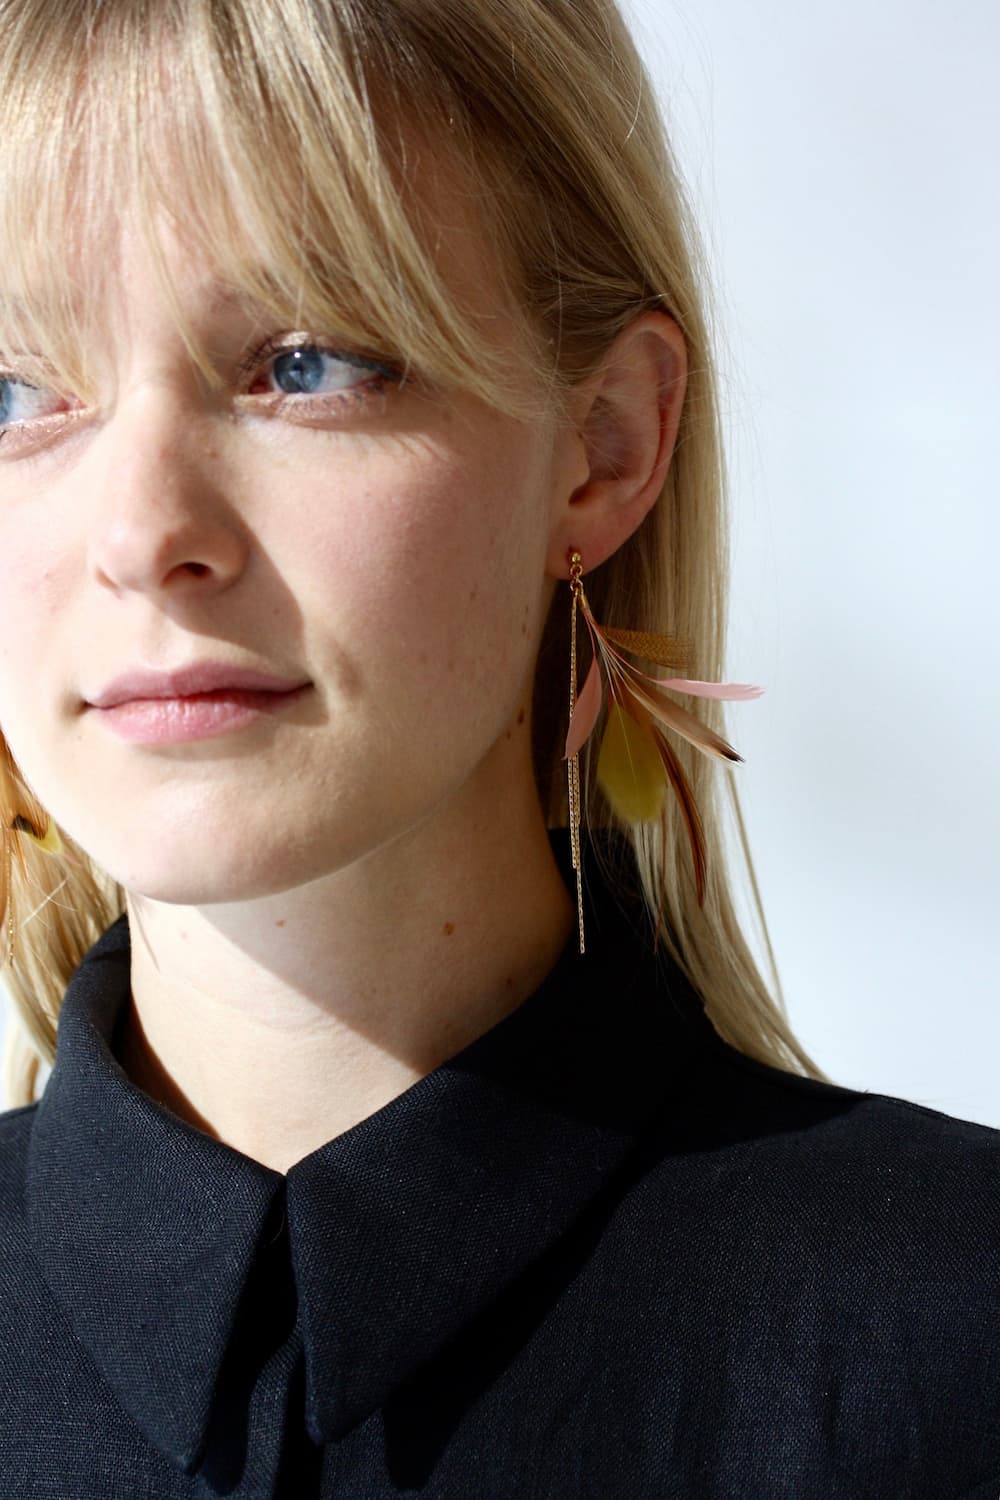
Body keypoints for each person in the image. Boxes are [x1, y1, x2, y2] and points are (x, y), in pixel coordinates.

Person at [0, 0, 995, 1495]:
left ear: (603, 444)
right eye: (12, 394)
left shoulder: (955, 1346)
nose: (143, 537)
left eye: (306, 362)